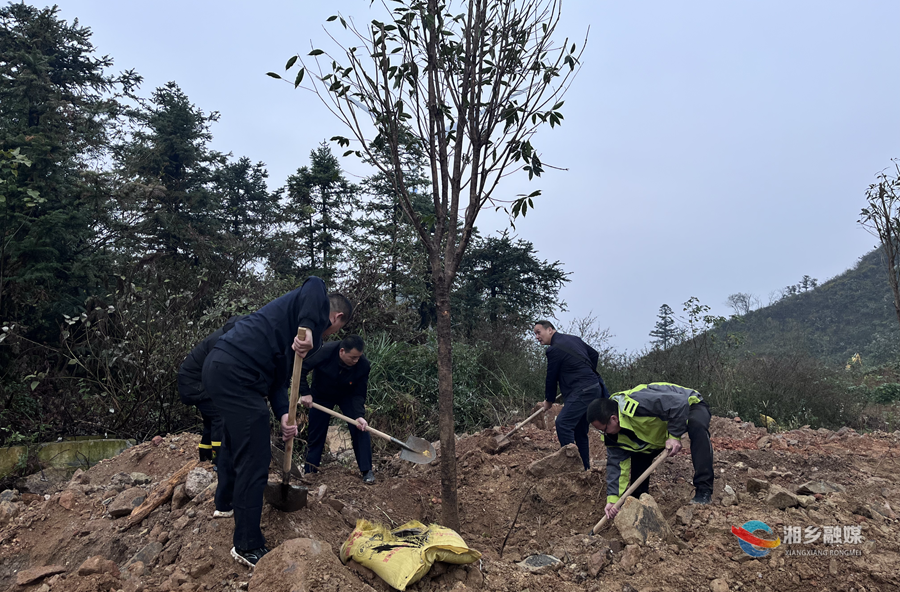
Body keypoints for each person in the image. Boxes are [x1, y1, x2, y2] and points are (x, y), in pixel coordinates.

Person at [202, 277, 351, 568]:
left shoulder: (287, 336)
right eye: (335, 329)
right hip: (237, 373)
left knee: (236, 444)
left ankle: (226, 504)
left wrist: (284, 413)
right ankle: (246, 545)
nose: (329, 334)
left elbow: (278, 383)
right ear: (337, 317)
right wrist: (310, 328)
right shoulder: (312, 302)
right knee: (255, 459)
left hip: (223, 370)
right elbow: (314, 283)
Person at [586, 382, 714, 520]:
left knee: (697, 425)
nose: (603, 433)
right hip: (656, 436)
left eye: (604, 429)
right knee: (638, 467)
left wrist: (674, 436)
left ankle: (703, 490)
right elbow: (616, 466)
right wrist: (613, 500)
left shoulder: (639, 403)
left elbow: (678, 403)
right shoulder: (612, 437)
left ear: (614, 419)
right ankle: (642, 510)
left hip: (689, 405)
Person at [534, 320, 610, 470]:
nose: (536, 337)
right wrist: (585, 374)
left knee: (563, 424)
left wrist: (549, 400)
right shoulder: (574, 339)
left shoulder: (553, 349)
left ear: (550, 330)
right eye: (535, 334)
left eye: (538, 332)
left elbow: (551, 377)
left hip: (583, 391)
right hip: (594, 387)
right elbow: (594, 355)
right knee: (579, 431)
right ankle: (584, 469)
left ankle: (571, 468)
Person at [298, 334, 374, 484]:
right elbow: (302, 368)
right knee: (316, 433)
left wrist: (359, 415)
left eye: (358, 357)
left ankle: (367, 470)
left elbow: (359, 393)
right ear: (342, 351)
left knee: (360, 428)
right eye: (353, 357)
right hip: (322, 395)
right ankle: (310, 472)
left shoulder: (363, 365)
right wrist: (305, 393)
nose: (356, 361)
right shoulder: (325, 351)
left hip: (348, 396)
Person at [177, 315, 245, 466]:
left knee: (209, 420)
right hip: (194, 383)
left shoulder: (224, 336)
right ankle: (219, 460)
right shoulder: (221, 341)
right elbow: (220, 369)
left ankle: (205, 457)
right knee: (219, 416)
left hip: (192, 382)